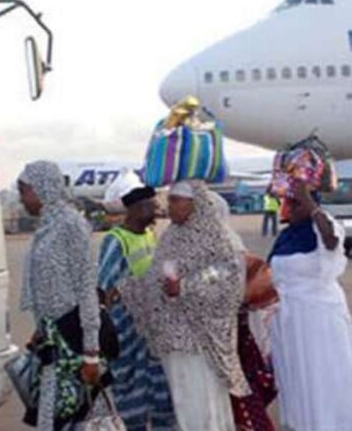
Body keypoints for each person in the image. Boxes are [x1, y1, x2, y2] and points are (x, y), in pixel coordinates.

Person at [120, 180, 252, 431]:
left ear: (195, 203)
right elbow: (153, 279)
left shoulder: (217, 236)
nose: (168, 206)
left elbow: (231, 276)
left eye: (175, 200)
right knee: (184, 402)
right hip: (172, 338)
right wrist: (128, 289)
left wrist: (188, 286)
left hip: (200, 339)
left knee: (203, 401)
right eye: (169, 200)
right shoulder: (171, 235)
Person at [18, 160, 101, 431]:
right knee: (55, 417)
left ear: (43, 188)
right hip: (52, 340)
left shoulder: (71, 225)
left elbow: (86, 288)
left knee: (77, 416)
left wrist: (91, 354)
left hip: (73, 342)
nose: (21, 199)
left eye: (24, 190)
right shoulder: (46, 228)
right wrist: (40, 327)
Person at [269, 179, 352, 431]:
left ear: (309, 204)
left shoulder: (324, 228)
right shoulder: (285, 237)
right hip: (289, 320)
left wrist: (309, 202)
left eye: (295, 204)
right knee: (298, 377)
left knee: (322, 375)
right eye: (288, 203)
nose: (289, 209)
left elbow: (331, 242)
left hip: (319, 320)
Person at [97, 180, 176, 431]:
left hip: (152, 331)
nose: (156, 212)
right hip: (127, 334)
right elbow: (105, 290)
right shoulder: (116, 240)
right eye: (151, 207)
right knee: (129, 394)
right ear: (136, 209)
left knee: (160, 392)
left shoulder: (150, 235)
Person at [211, 192, 277, 431]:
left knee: (241, 398)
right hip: (234, 337)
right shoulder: (226, 241)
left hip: (233, 340)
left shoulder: (225, 244)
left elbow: (260, 288)